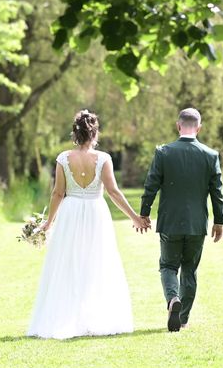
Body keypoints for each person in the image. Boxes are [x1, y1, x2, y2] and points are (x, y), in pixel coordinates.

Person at [27, 110, 148, 339]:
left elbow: (58, 193)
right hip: (95, 211)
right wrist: (134, 217)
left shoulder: (63, 158)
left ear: (75, 133)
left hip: (70, 212)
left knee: (69, 262)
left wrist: (49, 222)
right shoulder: (103, 158)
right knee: (96, 260)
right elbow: (113, 191)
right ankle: (94, 317)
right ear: (94, 133)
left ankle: (68, 317)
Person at [140, 107, 223, 332]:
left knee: (168, 265)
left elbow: (151, 185)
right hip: (197, 224)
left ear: (178, 126)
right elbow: (217, 191)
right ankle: (183, 317)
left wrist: (144, 213)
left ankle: (172, 300)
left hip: (170, 222)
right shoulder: (210, 155)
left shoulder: (163, 152)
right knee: (189, 268)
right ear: (199, 128)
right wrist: (219, 221)